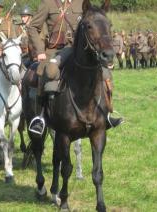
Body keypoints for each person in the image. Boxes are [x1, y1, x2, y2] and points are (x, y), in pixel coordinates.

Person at [27, 0, 123, 133]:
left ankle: (106, 114)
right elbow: (32, 27)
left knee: (106, 74)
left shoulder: (82, 3)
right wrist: (40, 51)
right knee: (50, 72)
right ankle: (41, 118)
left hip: (77, 50)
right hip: (55, 50)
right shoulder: (48, 3)